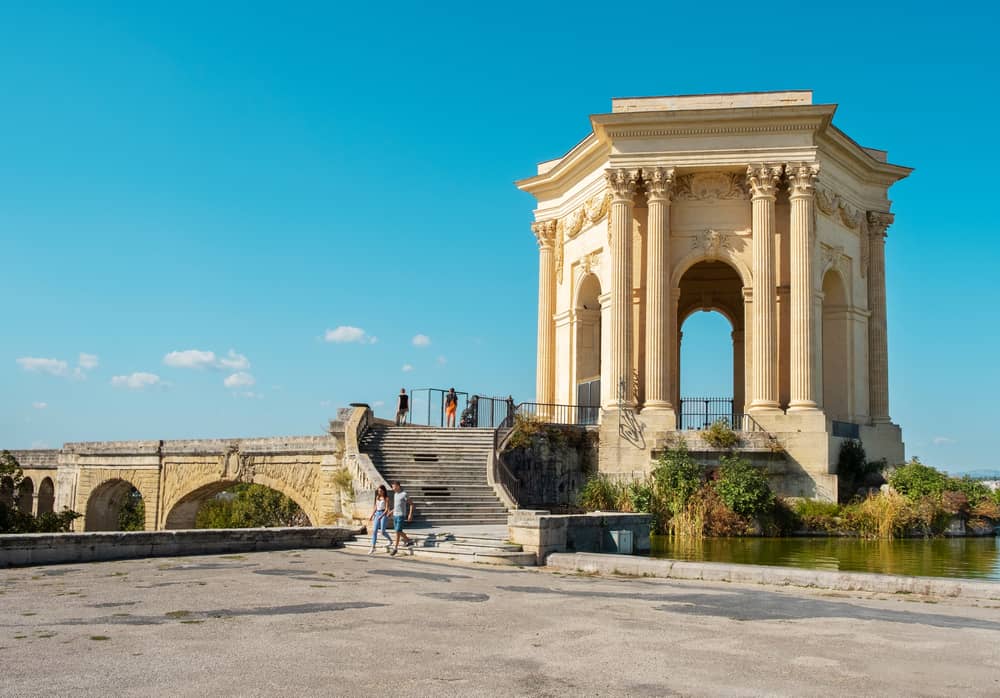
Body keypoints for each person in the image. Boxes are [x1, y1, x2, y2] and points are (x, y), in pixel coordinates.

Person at [388, 480, 414, 554]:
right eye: (392, 487)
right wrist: (391, 512)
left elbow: (411, 504)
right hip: (395, 515)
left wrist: (410, 514)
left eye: (393, 486)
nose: (392, 488)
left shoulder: (404, 494)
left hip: (401, 515)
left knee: (398, 531)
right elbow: (396, 506)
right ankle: (408, 540)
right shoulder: (395, 494)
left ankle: (396, 548)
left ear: (398, 486)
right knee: (397, 532)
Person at [367, 485, 394, 554]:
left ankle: (390, 540)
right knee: (374, 531)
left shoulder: (386, 498)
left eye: (381, 491)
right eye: (378, 491)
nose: (379, 492)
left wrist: (381, 516)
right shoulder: (377, 497)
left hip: (383, 514)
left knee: (382, 531)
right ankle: (373, 547)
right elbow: (375, 507)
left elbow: (386, 509)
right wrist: (372, 515)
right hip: (377, 514)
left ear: (384, 491)